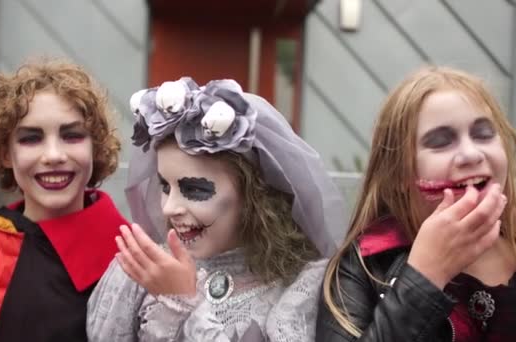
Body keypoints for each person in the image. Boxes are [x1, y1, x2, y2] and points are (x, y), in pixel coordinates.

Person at [86, 77, 346, 341]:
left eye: (195, 189)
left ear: (254, 196)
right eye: (165, 186)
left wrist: (183, 303)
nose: (169, 208)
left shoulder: (302, 286)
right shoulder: (139, 272)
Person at [315, 66, 516, 342]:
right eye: (440, 142)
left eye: (484, 134)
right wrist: (425, 276)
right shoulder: (362, 268)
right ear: (400, 173)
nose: (471, 154)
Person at [0, 58, 129, 342]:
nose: (53, 155)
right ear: (6, 154)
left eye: (72, 135)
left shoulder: (134, 259)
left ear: (95, 147)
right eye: (31, 138)